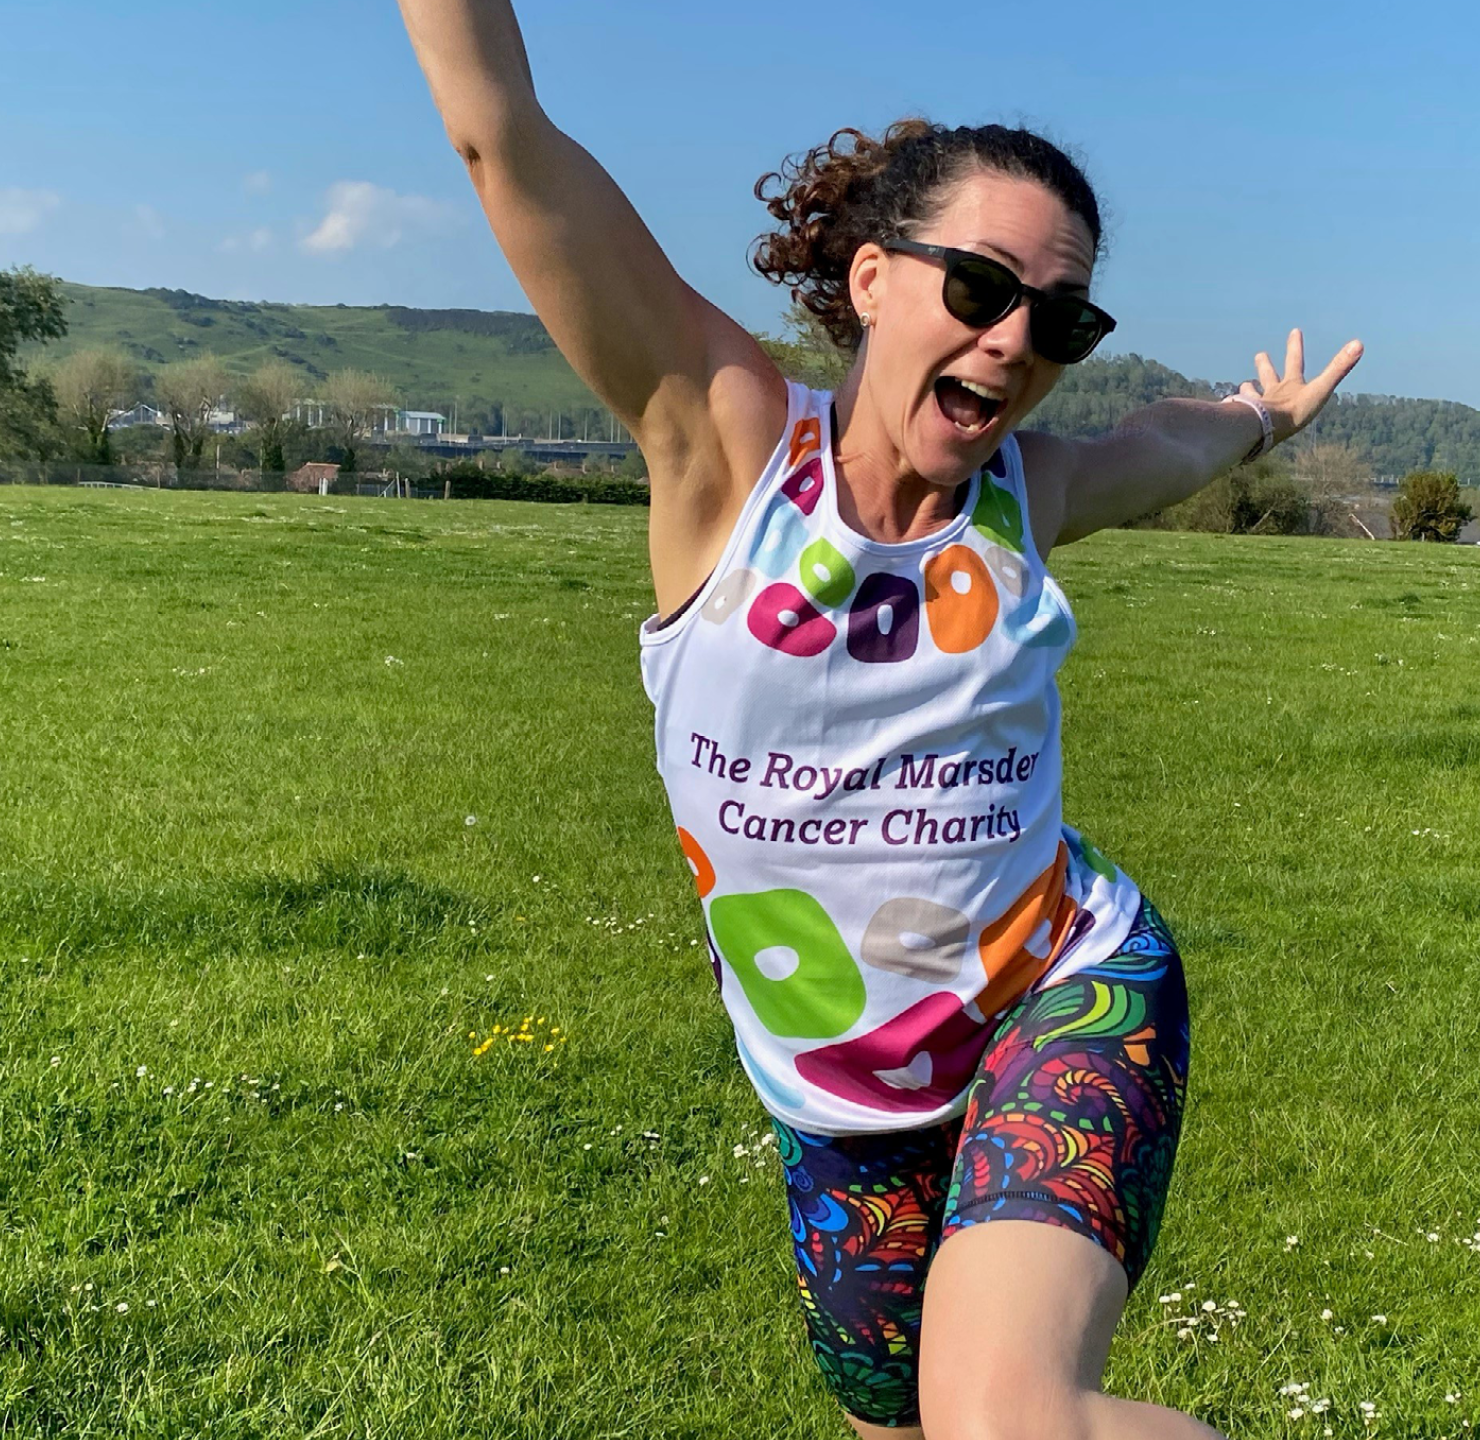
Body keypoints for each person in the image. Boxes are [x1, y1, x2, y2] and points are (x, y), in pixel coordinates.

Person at [397, 6, 1362, 1435]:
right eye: (978, 284)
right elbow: (505, 141)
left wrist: (1259, 418)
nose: (1015, 338)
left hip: (1063, 991)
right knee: (897, 1428)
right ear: (867, 279)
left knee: (1008, 1420)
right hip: (837, 1097)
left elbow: (1156, 447)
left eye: (1061, 319)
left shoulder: (1029, 493)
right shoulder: (724, 444)